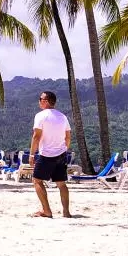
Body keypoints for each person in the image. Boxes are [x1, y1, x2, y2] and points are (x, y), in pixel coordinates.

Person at [30, 90, 73, 218]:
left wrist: (32, 155)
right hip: (61, 154)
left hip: (46, 155)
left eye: (40, 99)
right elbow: (68, 137)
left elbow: (36, 136)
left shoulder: (40, 116)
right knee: (61, 183)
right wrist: (64, 149)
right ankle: (66, 212)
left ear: (46, 101)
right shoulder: (62, 117)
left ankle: (46, 211)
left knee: (37, 181)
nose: (39, 101)